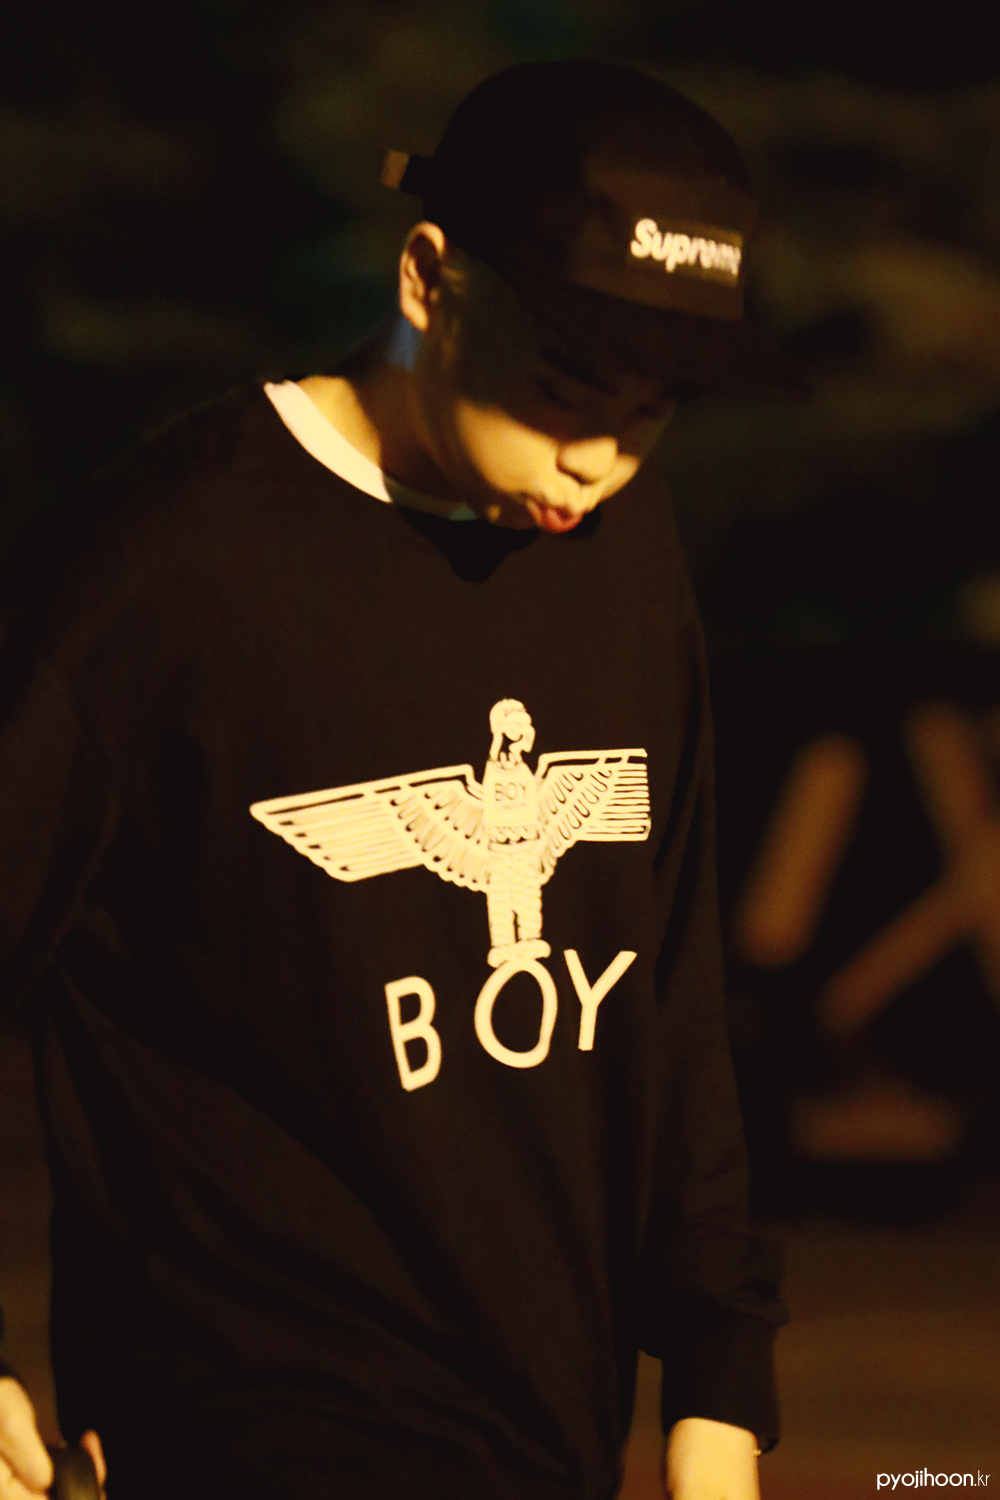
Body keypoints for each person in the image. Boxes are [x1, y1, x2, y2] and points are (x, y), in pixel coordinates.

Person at [0, 59, 797, 1500]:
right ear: (430, 278)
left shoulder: (619, 540)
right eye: (567, 384)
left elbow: (669, 993)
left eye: (657, 407)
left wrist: (718, 1391)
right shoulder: (157, 576)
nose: (602, 456)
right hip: (251, 1427)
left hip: (552, 1434)